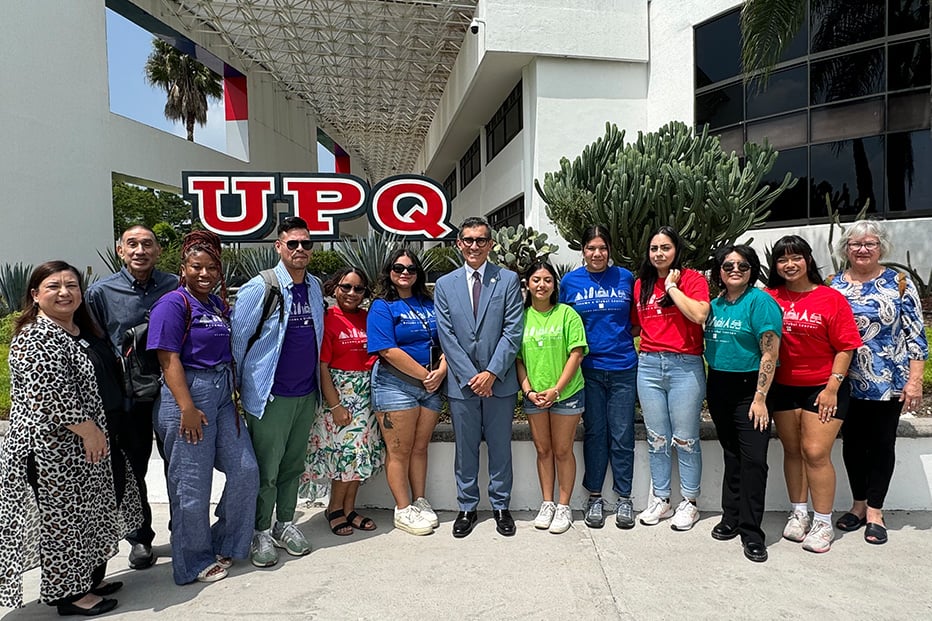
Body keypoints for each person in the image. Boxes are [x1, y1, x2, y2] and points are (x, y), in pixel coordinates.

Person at [0, 261, 142, 615]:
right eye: (53, 286)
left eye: (72, 285)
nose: (64, 293)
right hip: (53, 450)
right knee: (63, 522)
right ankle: (69, 595)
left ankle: (87, 580)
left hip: (89, 443)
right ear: (35, 295)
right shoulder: (35, 337)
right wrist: (89, 431)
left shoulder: (77, 331)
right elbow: (49, 396)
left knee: (89, 514)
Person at [149, 230, 260, 584]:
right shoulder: (172, 304)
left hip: (223, 394)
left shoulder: (215, 304)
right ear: (183, 267)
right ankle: (192, 560)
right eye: (197, 267)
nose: (205, 274)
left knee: (245, 471)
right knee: (191, 486)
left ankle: (224, 539)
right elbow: (168, 360)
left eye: (212, 267)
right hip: (188, 394)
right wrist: (186, 407)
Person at [231, 216, 324, 566]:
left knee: (292, 465)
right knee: (266, 469)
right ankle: (260, 532)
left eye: (306, 244)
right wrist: (241, 389)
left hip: (305, 393)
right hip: (270, 394)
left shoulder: (314, 286)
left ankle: (285, 524)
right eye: (293, 243)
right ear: (279, 246)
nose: (300, 249)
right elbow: (239, 341)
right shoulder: (261, 286)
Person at [86, 224, 178, 570]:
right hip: (130, 399)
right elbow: (95, 346)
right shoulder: (100, 292)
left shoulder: (174, 285)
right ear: (120, 250)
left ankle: (182, 528)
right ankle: (140, 539)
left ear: (157, 250)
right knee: (133, 468)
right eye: (132, 244)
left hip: (171, 392)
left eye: (147, 244)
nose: (140, 250)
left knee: (179, 465)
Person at [830, 221, 928, 545]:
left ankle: (875, 510)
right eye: (855, 244)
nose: (862, 249)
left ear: (880, 247)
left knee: (883, 444)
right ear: (846, 248)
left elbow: (916, 334)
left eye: (869, 244)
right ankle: (857, 506)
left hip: (888, 380)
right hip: (846, 381)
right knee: (852, 443)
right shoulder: (833, 285)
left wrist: (914, 381)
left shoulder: (898, 283)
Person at [765, 234, 862, 554]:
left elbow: (846, 346)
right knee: (792, 451)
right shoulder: (770, 297)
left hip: (823, 387)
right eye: (782, 259)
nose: (789, 264)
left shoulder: (829, 298)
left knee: (816, 452)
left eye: (796, 257)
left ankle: (823, 522)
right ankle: (799, 513)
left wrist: (832, 387)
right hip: (783, 386)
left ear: (808, 259)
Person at [435, 216, 524, 538]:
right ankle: (467, 507)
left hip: (498, 383)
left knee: (501, 447)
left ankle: (501, 506)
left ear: (490, 244)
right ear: (459, 244)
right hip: (462, 384)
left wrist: (491, 373)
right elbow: (447, 335)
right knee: (465, 449)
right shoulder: (445, 285)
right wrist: (473, 376)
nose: (474, 246)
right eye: (468, 240)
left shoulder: (508, 280)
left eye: (481, 240)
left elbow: (513, 330)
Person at [704, 245, 782, 563]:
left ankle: (752, 533)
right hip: (719, 385)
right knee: (732, 455)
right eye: (728, 265)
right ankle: (731, 517)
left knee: (753, 461)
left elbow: (770, 352)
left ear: (752, 269)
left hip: (751, 389)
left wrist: (760, 398)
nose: (735, 269)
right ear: (719, 271)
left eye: (742, 265)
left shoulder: (760, 302)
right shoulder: (715, 305)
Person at [560, 225, 639, 529]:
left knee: (622, 434)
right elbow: (566, 323)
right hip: (587, 370)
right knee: (594, 433)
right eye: (591, 248)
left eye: (602, 248)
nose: (597, 254)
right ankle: (594, 497)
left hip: (623, 367)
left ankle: (624, 498)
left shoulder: (625, 278)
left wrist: (615, 339)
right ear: (583, 251)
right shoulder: (570, 282)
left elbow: (635, 322)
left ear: (609, 250)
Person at [632, 225, 710, 531]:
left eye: (665, 248)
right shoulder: (642, 284)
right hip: (649, 365)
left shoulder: (692, 279)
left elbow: (699, 315)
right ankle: (661, 499)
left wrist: (673, 288)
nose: (659, 253)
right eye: (654, 249)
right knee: (657, 438)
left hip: (684, 366)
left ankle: (689, 502)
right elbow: (637, 326)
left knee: (686, 438)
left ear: (676, 250)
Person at [367, 249, 447, 535]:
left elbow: (447, 340)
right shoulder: (382, 306)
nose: (405, 273)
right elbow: (387, 349)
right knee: (399, 451)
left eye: (411, 269)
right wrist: (426, 375)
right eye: (399, 268)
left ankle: (420, 499)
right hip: (395, 385)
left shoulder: (429, 303)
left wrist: (442, 370)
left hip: (430, 386)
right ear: (389, 271)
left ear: (418, 273)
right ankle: (403, 509)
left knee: (420, 448)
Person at [303, 267, 384, 535]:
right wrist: (336, 405)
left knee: (359, 455)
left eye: (358, 288)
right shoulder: (327, 318)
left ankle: (349, 508)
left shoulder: (367, 317)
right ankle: (334, 508)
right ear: (334, 288)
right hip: (339, 396)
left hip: (365, 397)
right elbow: (322, 366)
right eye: (346, 287)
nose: (352, 293)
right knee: (344, 456)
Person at [517, 261, 587, 534]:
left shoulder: (567, 315)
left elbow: (576, 354)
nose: (541, 285)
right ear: (528, 284)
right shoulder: (521, 317)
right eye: (536, 279)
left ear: (554, 285)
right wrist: (529, 391)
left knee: (562, 450)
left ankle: (563, 505)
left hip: (566, 394)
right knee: (543, 450)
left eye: (547, 280)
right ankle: (547, 502)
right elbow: (518, 359)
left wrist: (557, 389)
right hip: (534, 397)